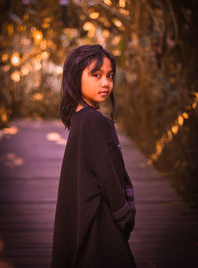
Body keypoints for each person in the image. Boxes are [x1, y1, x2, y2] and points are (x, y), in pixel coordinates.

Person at [51, 44, 136, 268]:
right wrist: (123, 215)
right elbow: (107, 174)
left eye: (110, 76)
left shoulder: (82, 119)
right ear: (74, 77)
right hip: (99, 222)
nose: (106, 83)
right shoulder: (90, 121)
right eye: (96, 75)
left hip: (89, 217)